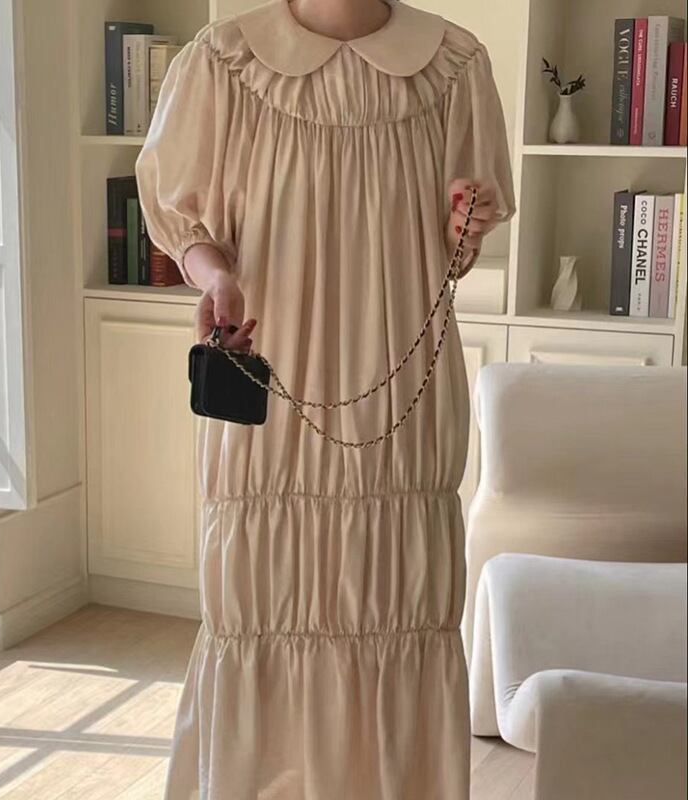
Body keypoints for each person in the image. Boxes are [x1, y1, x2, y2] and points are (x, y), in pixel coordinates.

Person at [136, 0, 515, 797]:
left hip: (399, 387)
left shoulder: (452, 66)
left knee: (396, 606)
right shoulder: (223, 61)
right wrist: (215, 276)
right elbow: (181, 221)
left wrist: (465, 227)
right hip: (271, 377)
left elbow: (453, 256)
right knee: (260, 609)